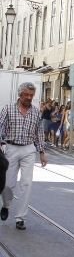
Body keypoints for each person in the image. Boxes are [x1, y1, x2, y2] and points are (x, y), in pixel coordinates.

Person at [0, 82, 48, 230]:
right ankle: (6, 205)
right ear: (20, 95)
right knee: (8, 184)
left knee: (26, 184)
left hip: (28, 149)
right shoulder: (8, 109)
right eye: (26, 95)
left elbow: (38, 133)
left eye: (31, 95)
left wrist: (42, 152)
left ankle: (20, 217)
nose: (29, 97)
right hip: (11, 148)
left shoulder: (35, 112)